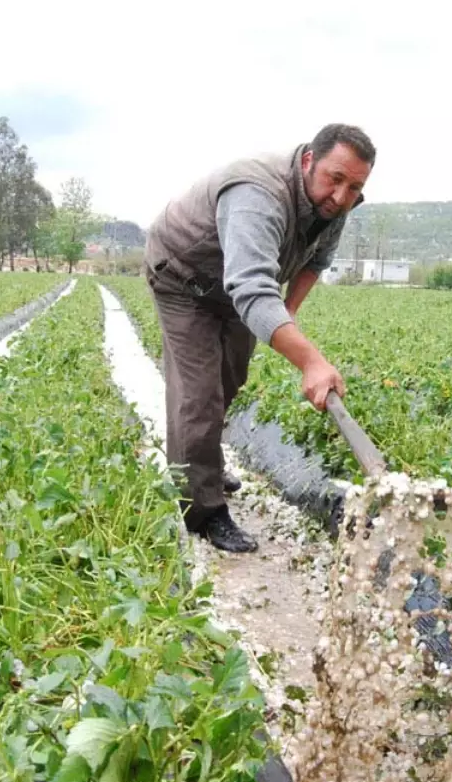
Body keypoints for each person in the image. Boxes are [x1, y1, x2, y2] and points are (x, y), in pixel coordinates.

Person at [143, 123, 376, 552]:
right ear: (309, 160)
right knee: (199, 397)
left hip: (232, 290)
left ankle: (202, 463)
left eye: (355, 187)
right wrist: (309, 360)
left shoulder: (334, 207)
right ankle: (202, 510)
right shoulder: (258, 194)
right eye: (335, 179)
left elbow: (314, 262)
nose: (342, 197)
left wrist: (286, 316)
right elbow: (251, 287)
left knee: (230, 377)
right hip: (184, 279)